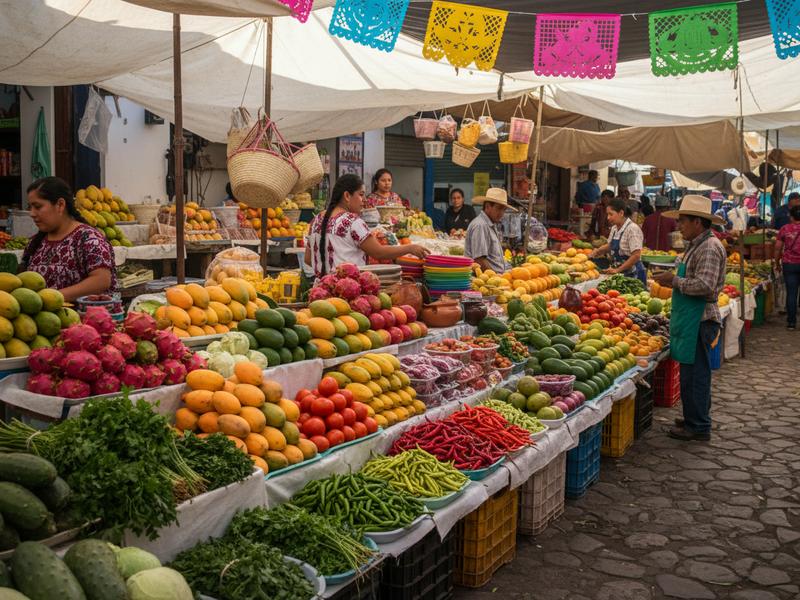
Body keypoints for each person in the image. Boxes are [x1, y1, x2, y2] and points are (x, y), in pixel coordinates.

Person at [653, 195, 726, 442]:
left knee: (696, 376)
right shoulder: (696, 243)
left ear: (698, 222)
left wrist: (673, 281)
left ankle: (698, 426)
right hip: (692, 317)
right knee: (691, 374)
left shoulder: (709, 247)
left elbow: (705, 285)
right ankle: (695, 417)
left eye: (683, 221)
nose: (679, 226)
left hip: (701, 319)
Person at [304, 174, 428, 278]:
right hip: (347, 292)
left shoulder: (315, 220)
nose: (364, 200)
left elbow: (308, 259)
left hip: (320, 293)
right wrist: (410, 248)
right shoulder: (353, 221)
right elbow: (379, 253)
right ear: (347, 196)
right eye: (361, 194)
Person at [21, 177, 117, 301]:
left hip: (84, 318)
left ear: (60, 205)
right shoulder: (35, 242)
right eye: (30, 207)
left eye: (38, 207)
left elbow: (101, 281)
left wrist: (52, 298)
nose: (32, 213)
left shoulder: (89, 239)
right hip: (43, 319)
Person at [590, 199, 646, 284]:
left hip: (633, 275)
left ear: (621, 213)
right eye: (607, 214)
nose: (608, 218)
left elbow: (636, 255)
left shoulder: (632, 229)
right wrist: (598, 251)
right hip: (620, 273)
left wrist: (618, 270)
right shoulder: (614, 228)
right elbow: (611, 245)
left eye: (611, 214)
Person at [465, 188, 516, 274]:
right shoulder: (481, 225)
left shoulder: (490, 225)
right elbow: (479, 260)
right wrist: (495, 278)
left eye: (504, 210)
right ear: (488, 206)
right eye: (499, 208)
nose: (502, 213)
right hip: (486, 282)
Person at [774, 204, 800, 330]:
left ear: (791, 216)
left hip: (789, 264)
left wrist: (776, 262)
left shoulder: (785, 229)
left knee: (791, 293)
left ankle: (791, 323)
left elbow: (778, 248)